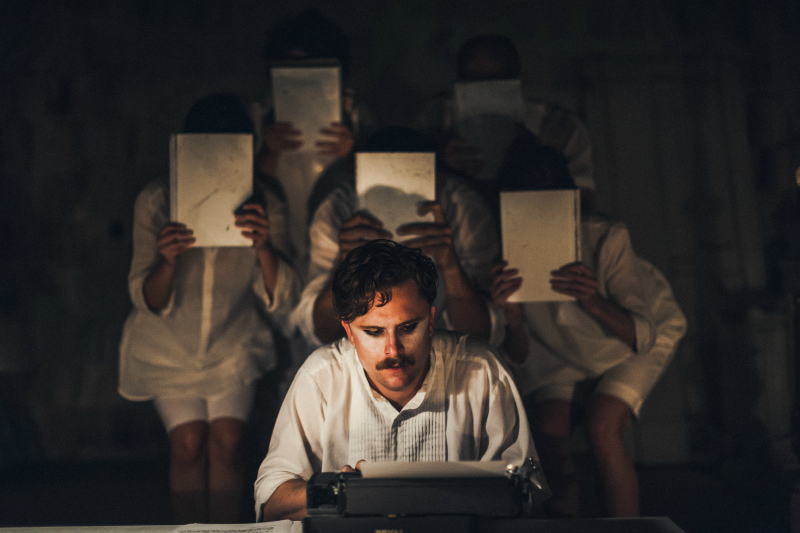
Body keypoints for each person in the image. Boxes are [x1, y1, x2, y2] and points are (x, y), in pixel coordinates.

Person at [254, 240, 539, 521]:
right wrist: (339, 493)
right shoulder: (321, 377)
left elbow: (529, 492)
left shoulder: (482, 370)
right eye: (374, 332)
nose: (394, 350)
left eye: (407, 327)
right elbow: (270, 502)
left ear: (430, 320)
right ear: (349, 333)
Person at [118, 93, 301, 524]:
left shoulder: (265, 201)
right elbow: (147, 297)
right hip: (167, 344)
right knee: (187, 444)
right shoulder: (158, 199)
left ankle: (223, 530)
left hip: (232, 339)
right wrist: (167, 258)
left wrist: (263, 247)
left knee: (229, 441)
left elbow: (283, 295)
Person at [490, 149, 686, 518]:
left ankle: (626, 529)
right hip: (555, 348)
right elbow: (519, 354)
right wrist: (512, 316)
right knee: (547, 438)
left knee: (602, 427)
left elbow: (641, 335)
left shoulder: (604, 236)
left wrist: (593, 299)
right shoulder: (498, 247)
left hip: (630, 336)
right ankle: (566, 526)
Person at [290, 126, 503, 357]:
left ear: (436, 177)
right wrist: (346, 264)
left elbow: (480, 336)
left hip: (447, 355)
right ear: (359, 175)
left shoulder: (462, 206)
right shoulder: (338, 209)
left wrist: (450, 266)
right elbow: (320, 331)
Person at [253, 8, 372, 278]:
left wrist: (350, 154)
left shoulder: (356, 114)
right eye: (292, 68)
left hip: (334, 243)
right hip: (278, 245)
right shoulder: (261, 113)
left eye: (313, 67)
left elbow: (372, 189)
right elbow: (249, 188)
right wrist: (268, 152)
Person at [418, 35, 594, 208]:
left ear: (522, 80)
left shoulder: (560, 127)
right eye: (473, 83)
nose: (486, 95)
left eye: (499, 83)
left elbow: (583, 205)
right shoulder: (437, 117)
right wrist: (442, 160)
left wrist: (536, 164)